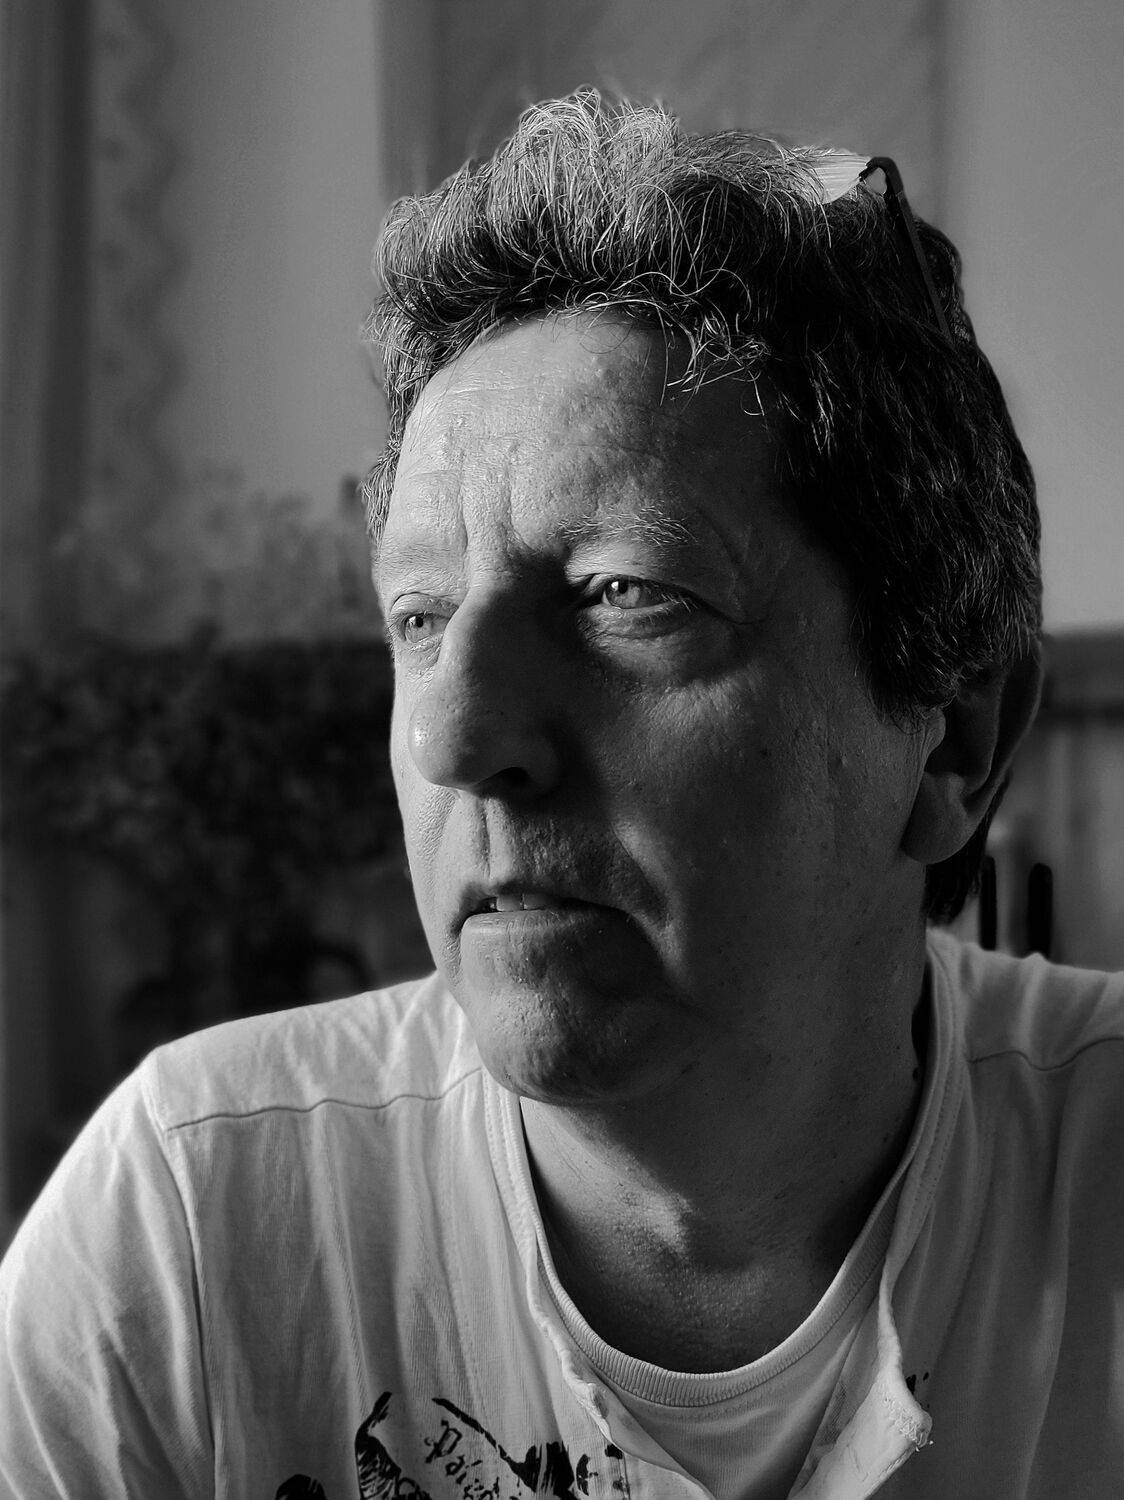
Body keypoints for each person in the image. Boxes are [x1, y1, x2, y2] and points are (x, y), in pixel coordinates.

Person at [0, 91, 1117, 1499]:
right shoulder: (191, 1231)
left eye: (622, 593)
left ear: (952, 742)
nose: (453, 738)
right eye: (419, 618)